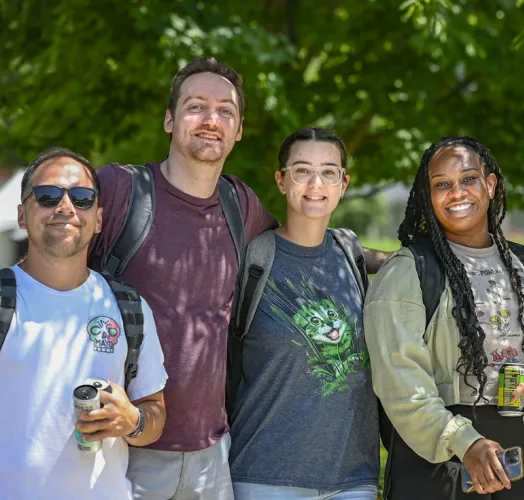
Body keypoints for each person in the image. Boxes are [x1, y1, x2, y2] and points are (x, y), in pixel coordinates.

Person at [88, 57, 389, 499]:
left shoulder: (238, 206)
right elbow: (54, 237)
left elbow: (307, 237)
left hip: (212, 456)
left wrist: (405, 261)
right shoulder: (120, 191)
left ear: (239, 129)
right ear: (170, 118)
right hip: (124, 445)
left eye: (225, 111)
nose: (211, 120)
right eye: (196, 107)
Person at [364, 136, 524, 499]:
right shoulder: (408, 272)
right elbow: (399, 383)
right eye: (441, 184)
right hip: (437, 459)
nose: (457, 192)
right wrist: (464, 442)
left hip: (519, 455)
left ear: (490, 184)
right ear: (428, 197)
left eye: (469, 179)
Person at [0, 148, 167, 499]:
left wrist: (132, 421)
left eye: (82, 198)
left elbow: (154, 412)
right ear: (21, 215)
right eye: (47, 196)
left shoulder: (128, 307)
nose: (65, 208)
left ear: (99, 218)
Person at [227, 127, 379, 499]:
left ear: (344, 184)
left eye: (329, 171)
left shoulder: (350, 255)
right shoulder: (251, 260)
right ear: (281, 180)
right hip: (264, 475)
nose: (316, 182)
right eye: (301, 170)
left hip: (353, 479)